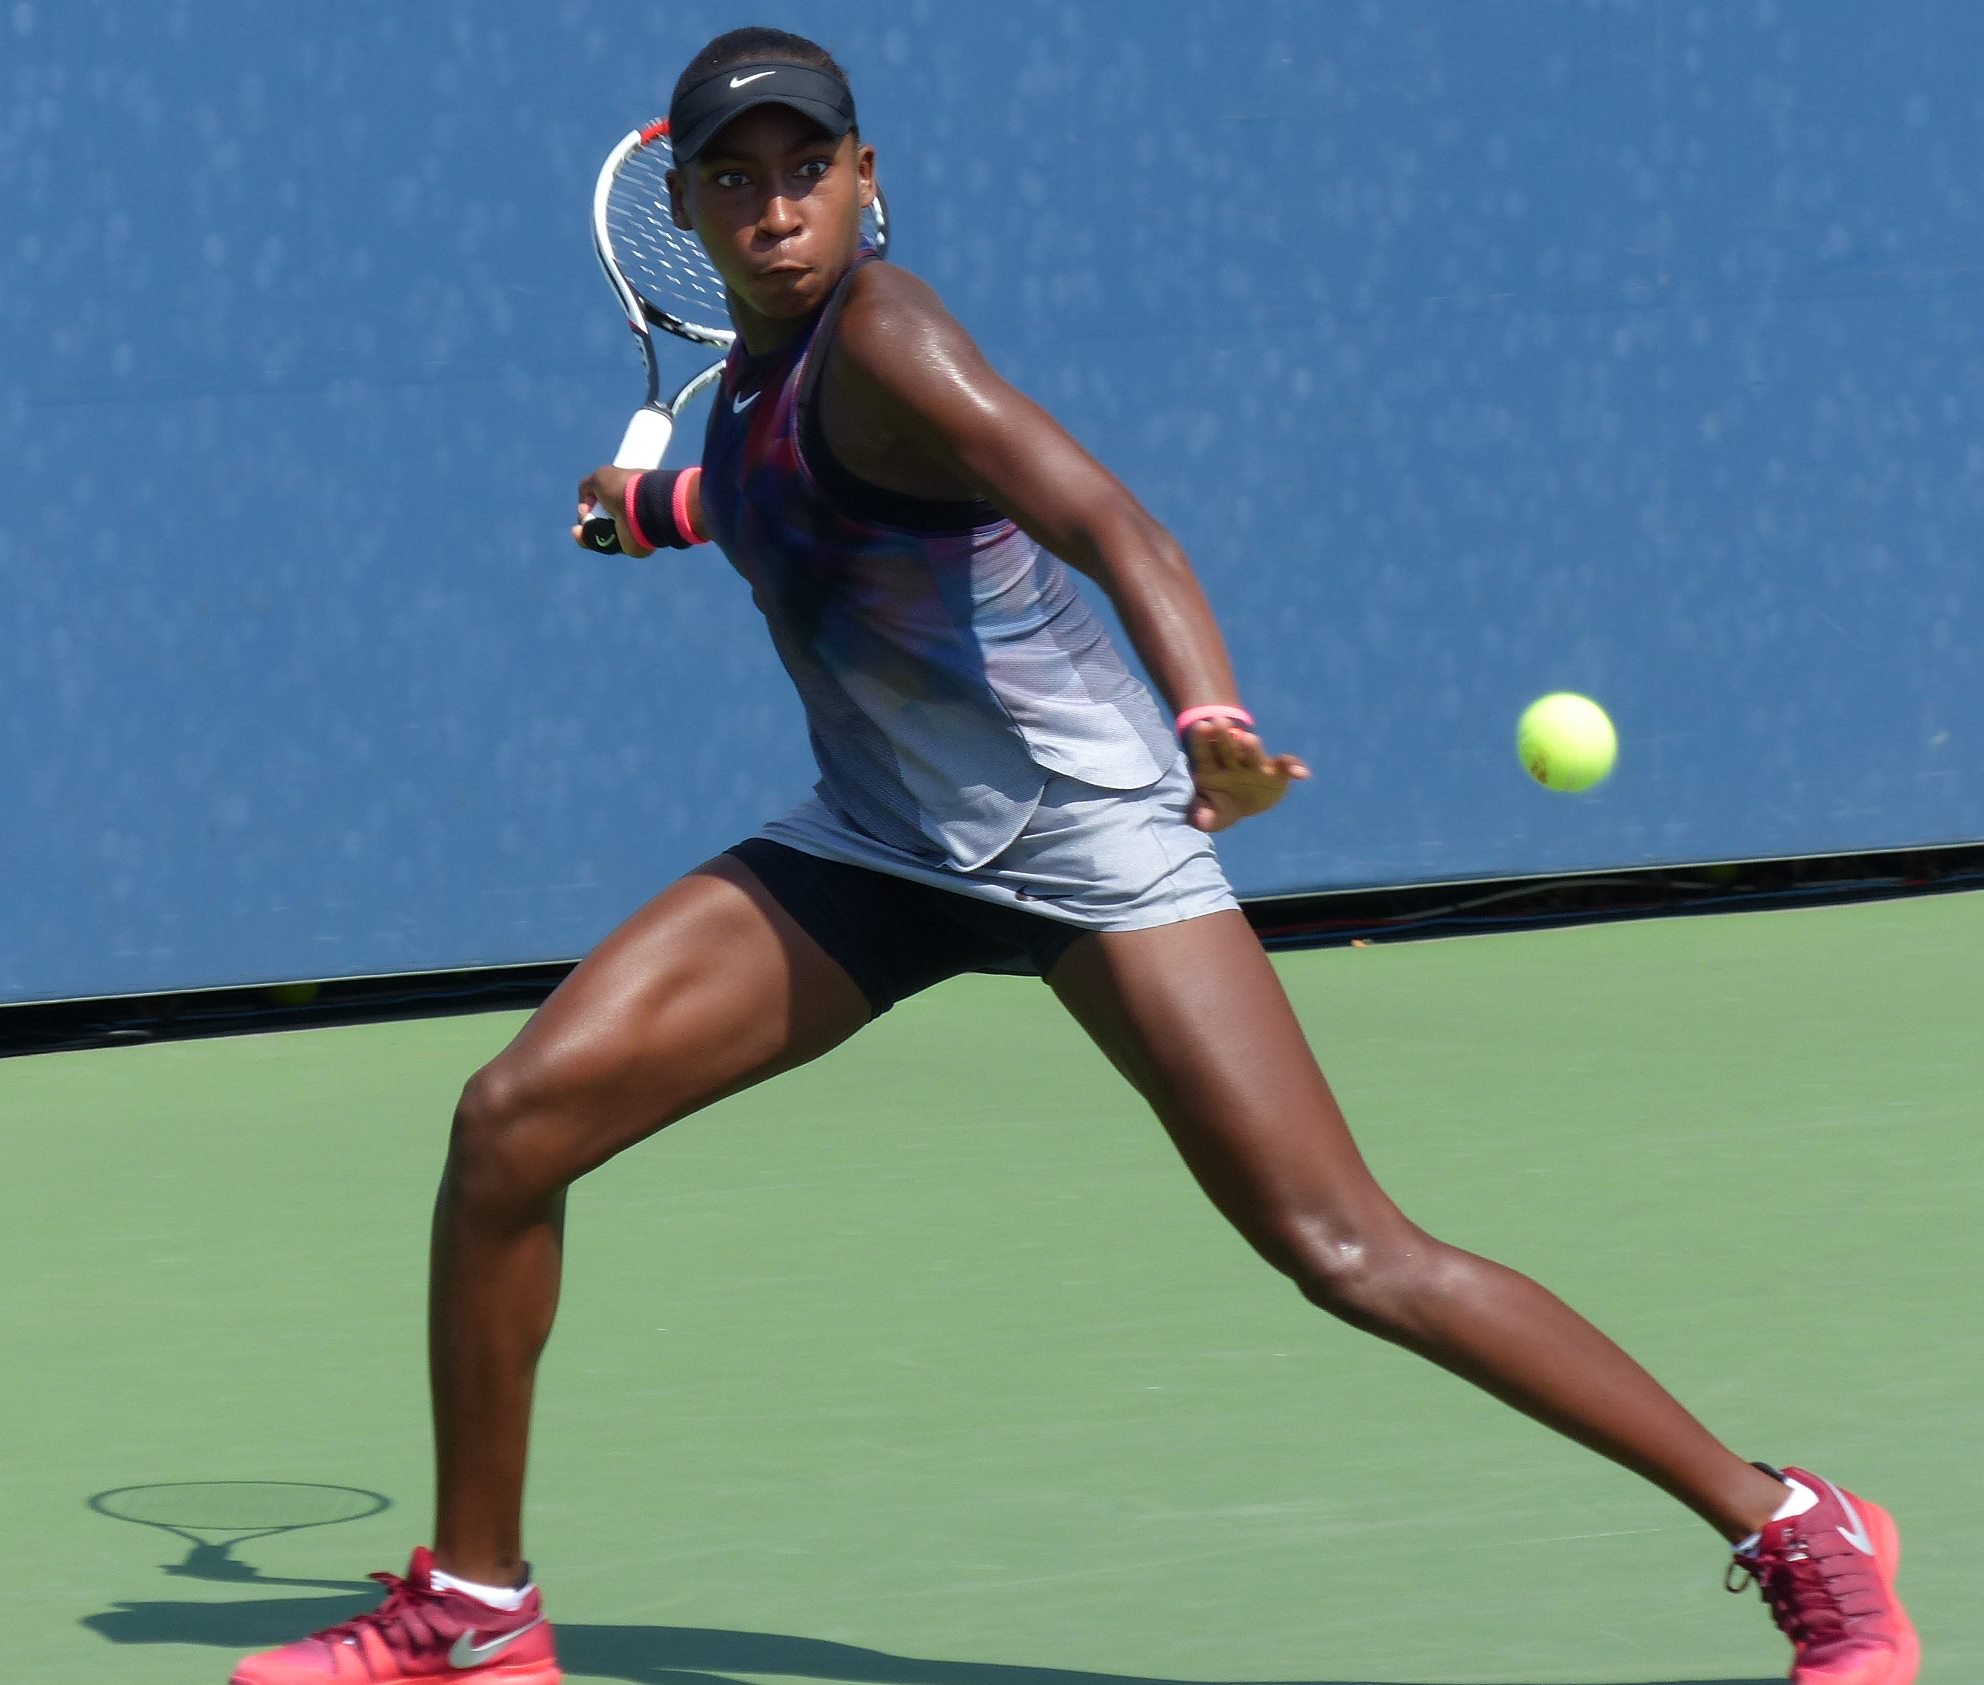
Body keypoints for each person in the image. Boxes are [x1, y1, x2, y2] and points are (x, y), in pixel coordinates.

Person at [229, 27, 1916, 1685]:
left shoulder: (888, 335)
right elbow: (788, 503)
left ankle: (1796, 1522)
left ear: (865, 178)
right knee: (513, 1122)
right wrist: (653, 510)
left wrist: (1209, 715)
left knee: (1344, 1248)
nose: (774, 208)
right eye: (733, 181)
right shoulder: (748, 391)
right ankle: (476, 1606)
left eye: (806, 169)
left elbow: (1113, 521)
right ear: (684, 206)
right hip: (884, 842)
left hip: (1088, 834)